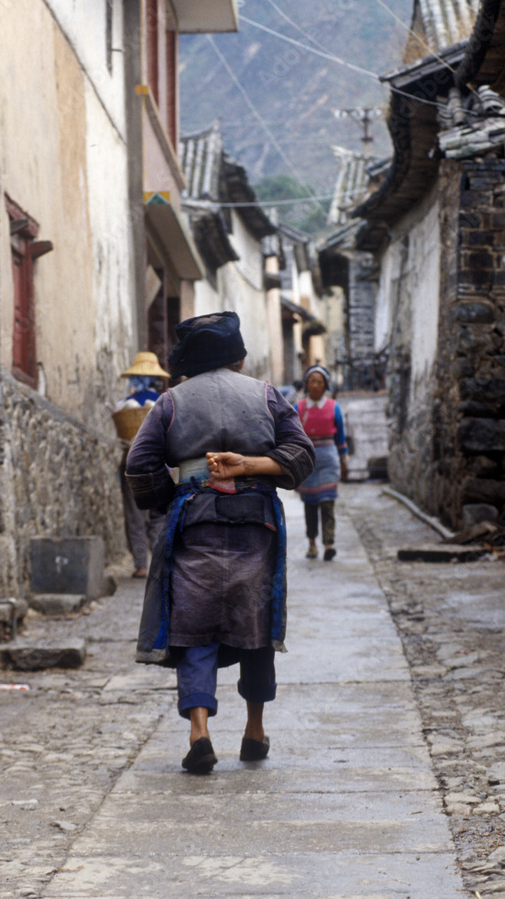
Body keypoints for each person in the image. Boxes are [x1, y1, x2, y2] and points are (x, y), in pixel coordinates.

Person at [125, 312, 314, 774]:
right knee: (255, 624)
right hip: (256, 524)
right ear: (240, 357)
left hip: (196, 521)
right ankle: (254, 731)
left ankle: (199, 733)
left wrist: (172, 499)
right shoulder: (266, 395)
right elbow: (302, 454)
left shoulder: (170, 403)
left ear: (188, 362)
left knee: (195, 626)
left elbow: (139, 463)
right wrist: (251, 465)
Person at [116, 352, 170, 578]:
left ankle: (140, 565)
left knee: (135, 515)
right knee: (158, 516)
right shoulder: (164, 402)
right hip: (159, 464)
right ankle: (159, 563)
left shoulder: (125, 406)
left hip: (131, 464)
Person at [296, 364, 349, 561]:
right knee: (310, 505)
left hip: (328, 461)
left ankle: (329, 544)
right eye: (312, 381)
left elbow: (341, 439)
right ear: (306, 384)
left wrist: (344, 463)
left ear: (325, 384)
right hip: (308, 463)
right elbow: (292, 437)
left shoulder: (333, 407)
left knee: (327, 503)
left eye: (320, 381)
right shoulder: (298, 408)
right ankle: (312, 544)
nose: (316, 385)